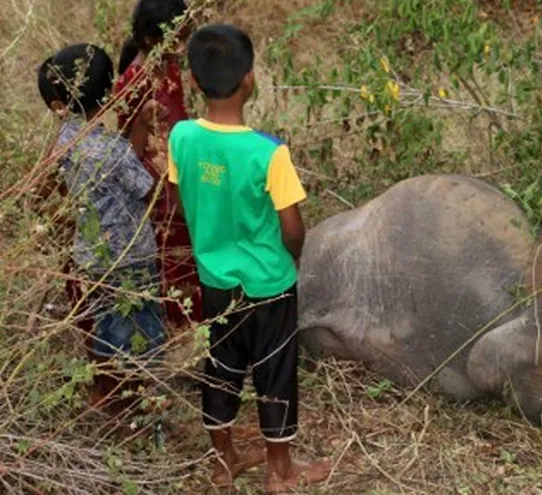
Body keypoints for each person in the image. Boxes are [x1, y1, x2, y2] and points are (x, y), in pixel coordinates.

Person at [167, 24, 331, 491]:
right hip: (268, 285)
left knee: (221, 369)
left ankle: (223, 463)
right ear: (250, 80)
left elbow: (179, 201)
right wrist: (292, 259)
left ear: (194, 82)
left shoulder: (182, 137)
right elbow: (293, 228)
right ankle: (280, 472)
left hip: (215, 281)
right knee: (274, 372)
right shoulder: (269, 153)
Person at [38, 43, 166, 416]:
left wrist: (138, 128)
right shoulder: (112, 151)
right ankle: (136, 403)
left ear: (58, 104)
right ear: (110, 91)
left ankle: (107, 392)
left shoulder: (63, 141)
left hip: (92, 256)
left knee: (107, 325)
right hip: (130, 256)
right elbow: (145, 189)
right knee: (140, 330)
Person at [114, 0, 203, 331]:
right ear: (153, 40)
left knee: (189, 254)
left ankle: (196, 328)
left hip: (178, 171)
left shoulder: (167, 67)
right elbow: (127, 145)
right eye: (177, 40)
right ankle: (182, 333)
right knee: (173, 261)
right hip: (156, 186)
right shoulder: (132, 81)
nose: (181, 49)